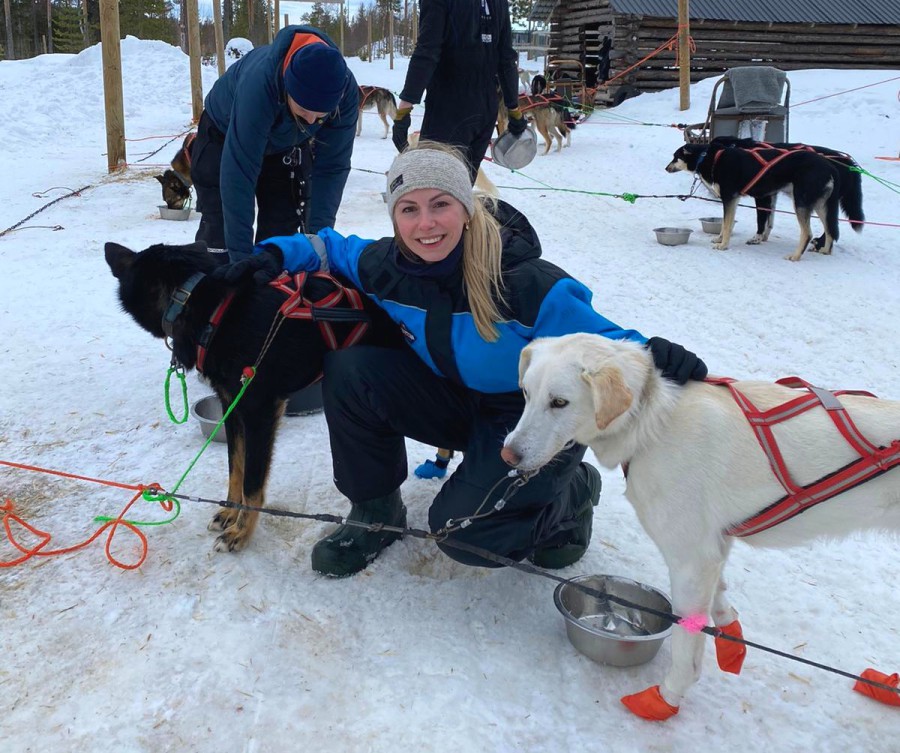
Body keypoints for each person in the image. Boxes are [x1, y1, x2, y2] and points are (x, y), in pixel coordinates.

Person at [220, 142, 707, 577]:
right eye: (408, 209)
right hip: (448, 400)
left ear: (467, 209)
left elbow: (602, 341)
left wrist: (653, 355)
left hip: (521, 420)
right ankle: (375, 513)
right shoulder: (385, 266)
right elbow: (327, 247)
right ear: (394, 218)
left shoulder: (524, 282)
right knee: (349, 369)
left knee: (461, 534)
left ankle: (572, 491)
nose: (425, 223)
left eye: (440, 205)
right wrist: (274, 255)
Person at [191, 25, 359, 261]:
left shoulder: (346, 91)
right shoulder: (260, 84)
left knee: (281, 238)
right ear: (287, 87)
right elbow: (239, 173)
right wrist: (240, 263)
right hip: (224, 134)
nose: (311, 120)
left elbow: (332, 167)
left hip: (286, 145)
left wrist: (320, 239)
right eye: (303, 110)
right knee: (221, 236)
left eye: (321, 116)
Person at [391, 0, 528, 182]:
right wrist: (513, 109)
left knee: (435, 189)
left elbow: (427, 51)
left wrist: (404, 110)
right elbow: (506, 58)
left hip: (448, 109)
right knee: (461, 189)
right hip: (485, 109)